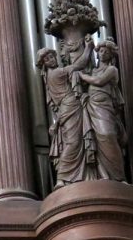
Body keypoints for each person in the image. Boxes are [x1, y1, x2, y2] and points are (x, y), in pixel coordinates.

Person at [38, 34, 95, 189]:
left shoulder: (52, 74)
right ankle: (62, 178)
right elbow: (80, 63)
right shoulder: (56, 73)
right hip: (70, 105)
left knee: (75, 141)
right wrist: (89, 47)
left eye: (52, 56)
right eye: (47, 59)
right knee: (73, 142)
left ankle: (81, 175)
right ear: (44, 64)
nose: (51, 59)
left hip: (68, 107)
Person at [78, 39, 126, 181]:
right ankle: (103, 175)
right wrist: (88, 47)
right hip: (92, 104)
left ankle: (118, 177)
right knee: (96, 139)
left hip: (105, 106)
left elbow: (99, 81)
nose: (103, 53)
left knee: (108, 135)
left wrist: (83, 76)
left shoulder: (112, 70)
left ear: (111, 55)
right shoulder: (93, 70)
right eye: (100, 51)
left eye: (106, 51)